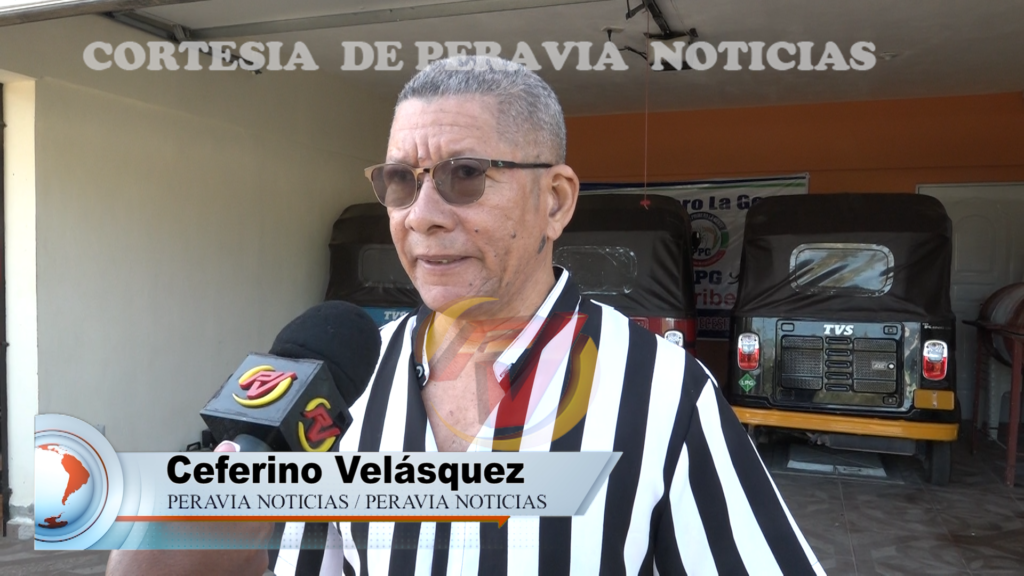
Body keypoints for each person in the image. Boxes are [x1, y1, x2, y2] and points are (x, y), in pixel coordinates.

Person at [110, 55, 824, 576]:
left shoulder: (662, 393)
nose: (421, 216)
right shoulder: (345, 386)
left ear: (555, 201)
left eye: (466, 175)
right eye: (400, 180)